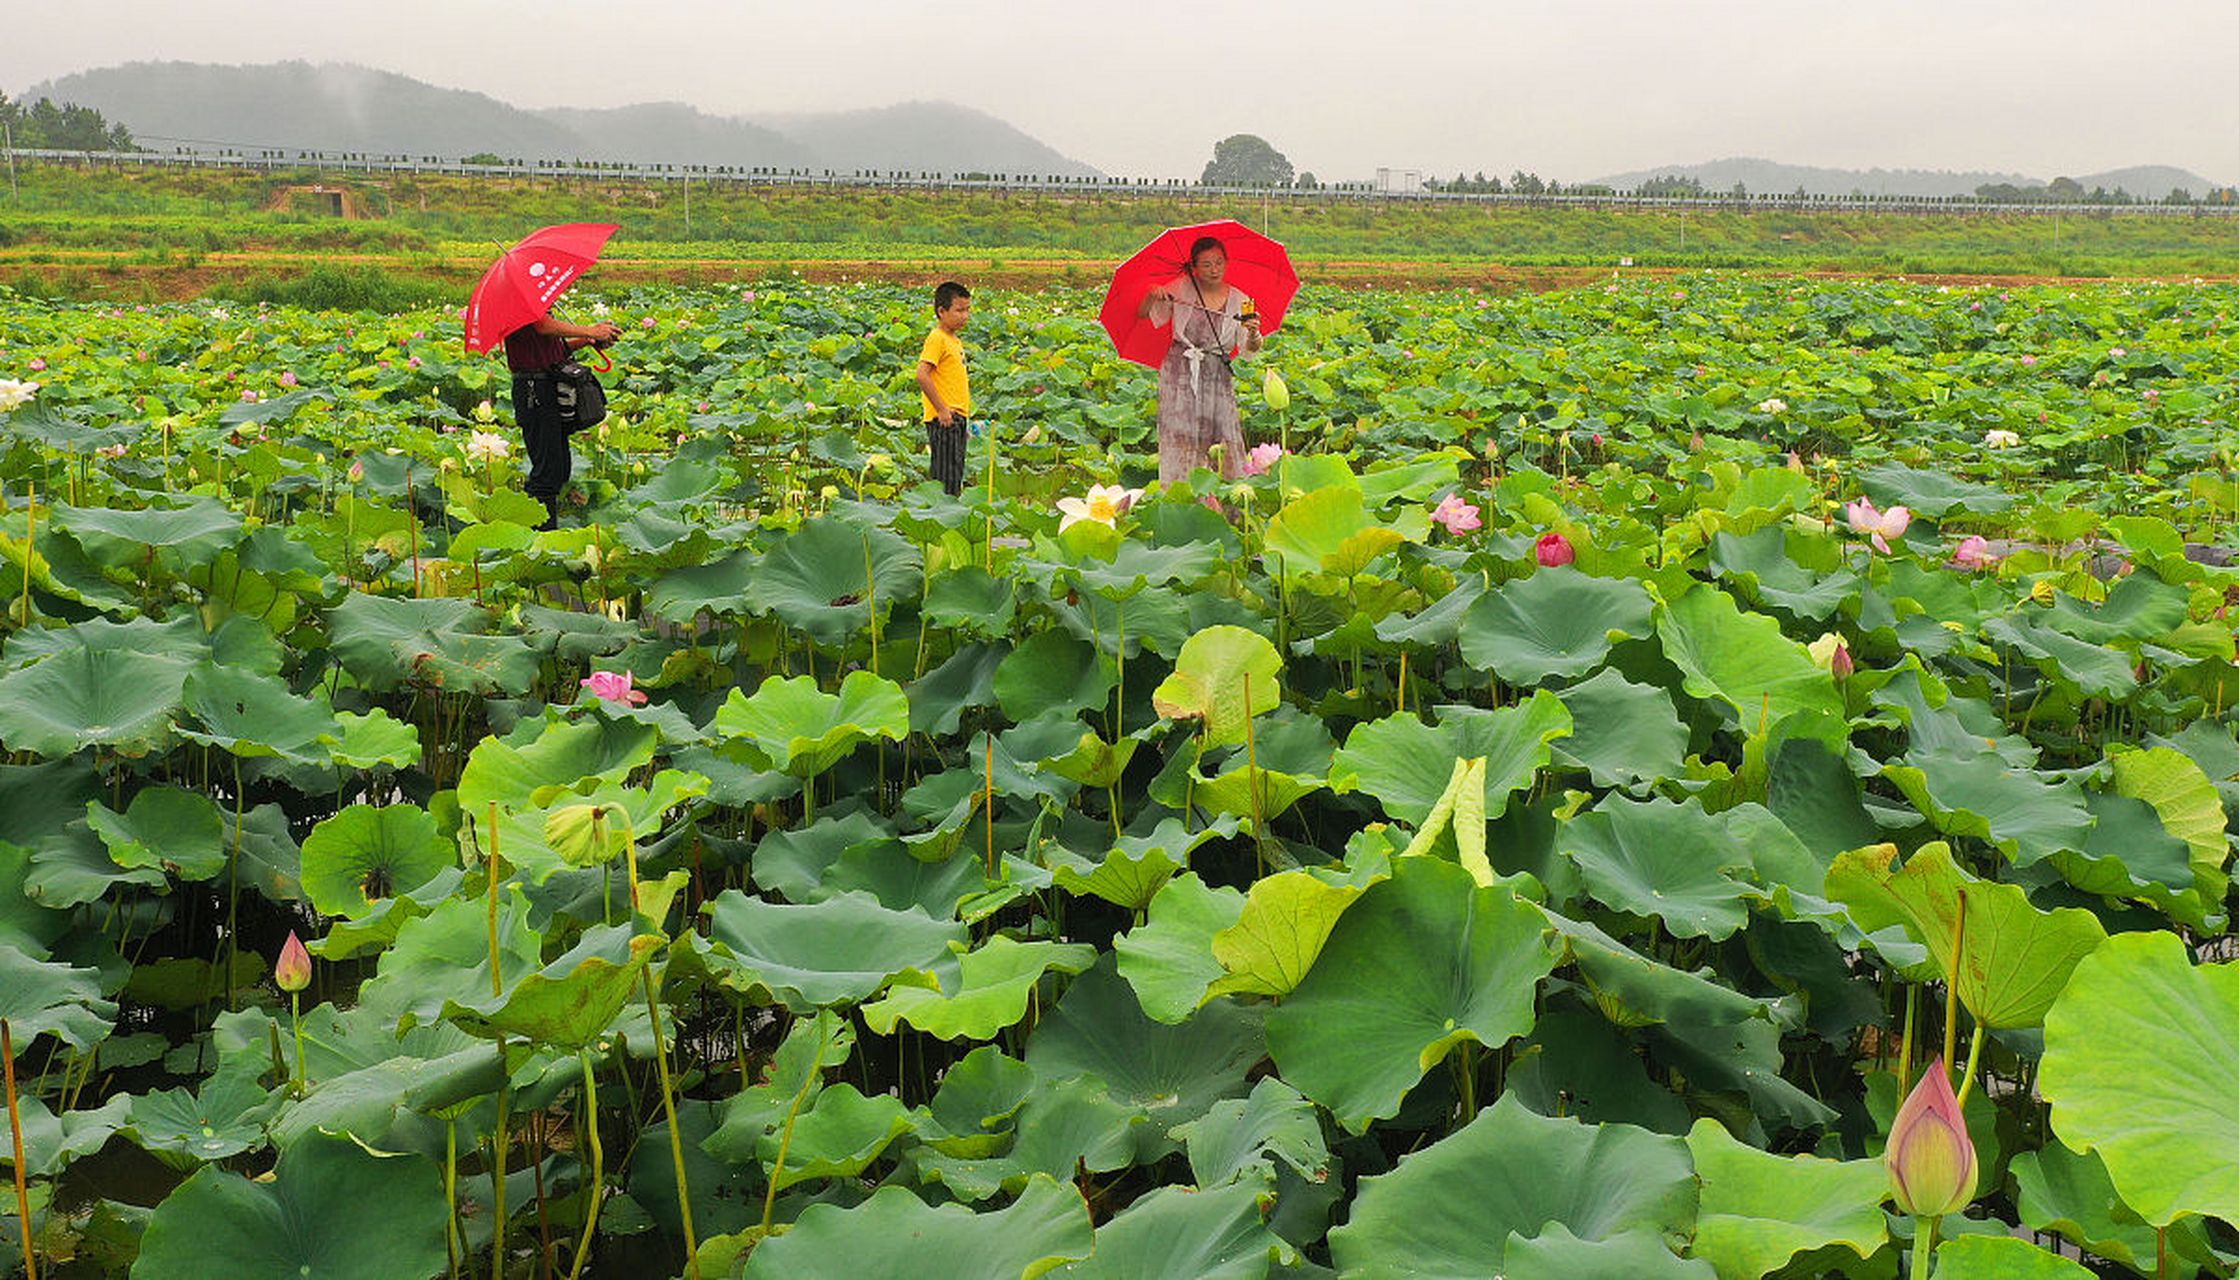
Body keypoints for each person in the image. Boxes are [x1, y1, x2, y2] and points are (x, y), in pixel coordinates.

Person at [1139, 236, 1264, 485]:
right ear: (1194, 266)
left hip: (1217, 373)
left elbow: (1250, 350)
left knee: (1223, 436)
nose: (1214, 269)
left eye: (1219, 262)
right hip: (1180, 372)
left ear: (1226, 263)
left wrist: (1252, 332)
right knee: (1181, 436)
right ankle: (1182, 496)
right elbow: (1145, 314)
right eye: (1206, 264)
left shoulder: (1242, 300)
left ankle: (1227, 501)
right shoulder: (1180, 289)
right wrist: (1152, 296)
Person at [506, 313, 621, 529]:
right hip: (533, 390)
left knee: (559, 468)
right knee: (546, 473)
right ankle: (538, 539)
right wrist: (590, 330)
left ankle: (546, 536)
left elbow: (555, 351)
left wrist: (588, 341)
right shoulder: (524, 307)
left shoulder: (536, 304)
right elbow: (542, 326)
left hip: (550, 386)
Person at [915, 280, 973, 496]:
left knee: (955, 476)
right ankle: (940, 525)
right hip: (945, 419)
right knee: (945, 482)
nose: (965, 315)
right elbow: (922, 374)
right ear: (942, 311)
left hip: (956, 418)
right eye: (959, 310)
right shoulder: (937, 338)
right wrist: (941, 409)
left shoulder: (954, 340)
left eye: (967, 310)